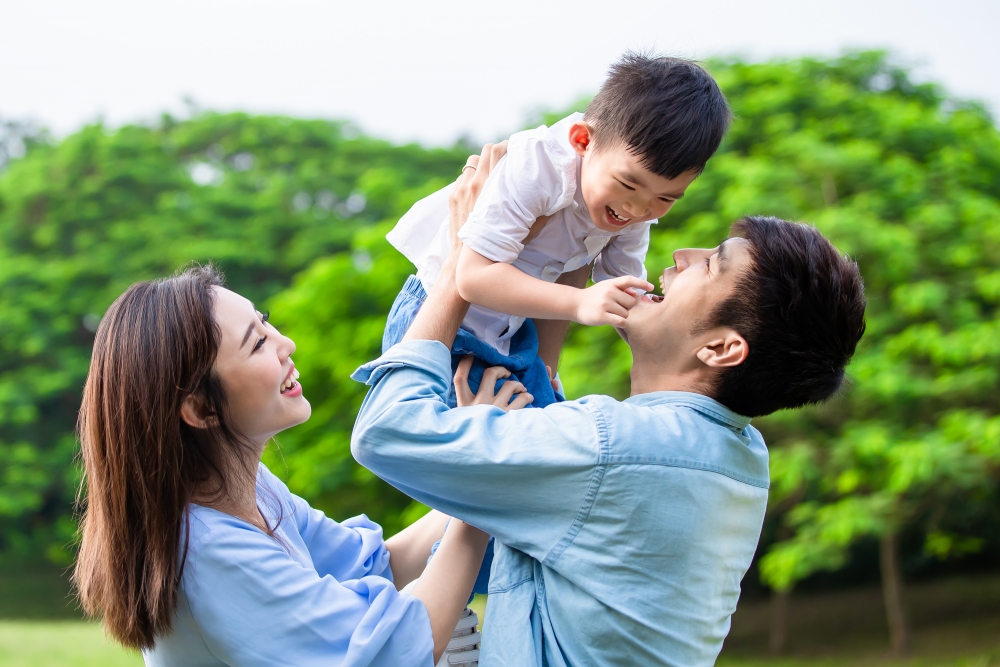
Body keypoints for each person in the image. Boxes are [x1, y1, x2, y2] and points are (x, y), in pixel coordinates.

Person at [351, 144, 867, 665]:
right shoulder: (737, 458)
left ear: (721, 348)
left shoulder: (616, 447)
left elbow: (386, 432)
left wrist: (462, 260)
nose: (679, 257)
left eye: (710, 265)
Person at [72, 261, 518, 666]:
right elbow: (394, 650)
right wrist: (477, 475)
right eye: (256, 343)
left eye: (265, 323)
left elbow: (375, 563)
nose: (286, 343)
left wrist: (479, 458)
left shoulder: (248, 491)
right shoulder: (208, 555)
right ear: (202, 409)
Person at [384, 53, 731, 408]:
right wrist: (580, 302)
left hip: (512, 333)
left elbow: (625, 287)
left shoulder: (630, 205)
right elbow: (472, 276)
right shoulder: (537, 167)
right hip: (441, 321)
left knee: (543, 418)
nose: (638, 210)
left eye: (665, 198)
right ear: (583, 141)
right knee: (453, 435)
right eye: (628, 185)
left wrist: (683, 336)